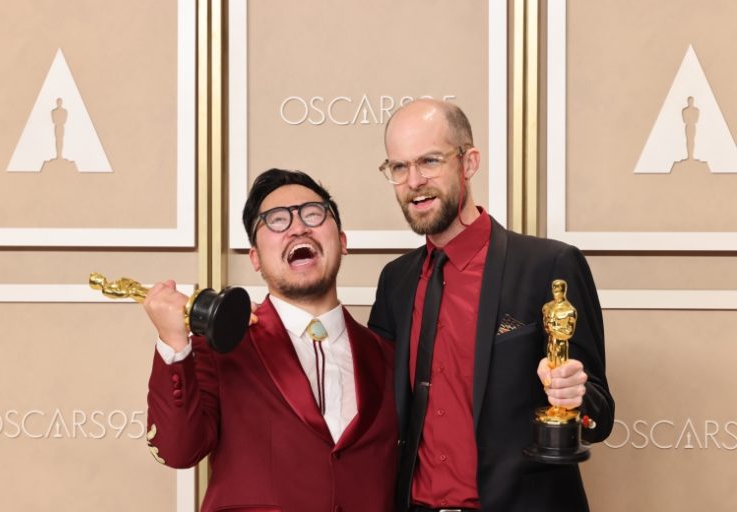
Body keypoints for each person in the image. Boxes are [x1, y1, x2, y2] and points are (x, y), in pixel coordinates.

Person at [368, 99, 614, 512]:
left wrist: (575, 395)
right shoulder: (395, 281)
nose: (414, 180)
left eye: (429, 161)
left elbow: (600, 415)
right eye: (398, 167)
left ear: (469, 162)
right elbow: (374, 401)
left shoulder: (549, 266)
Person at [143, 169, 397, 512]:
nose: (298, 227)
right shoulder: (221, 348)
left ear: (343, 241)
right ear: (255, 259)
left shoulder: (388, 356)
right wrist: (174, 344)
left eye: (313, 214)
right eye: (276, 220)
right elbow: (178, 449)